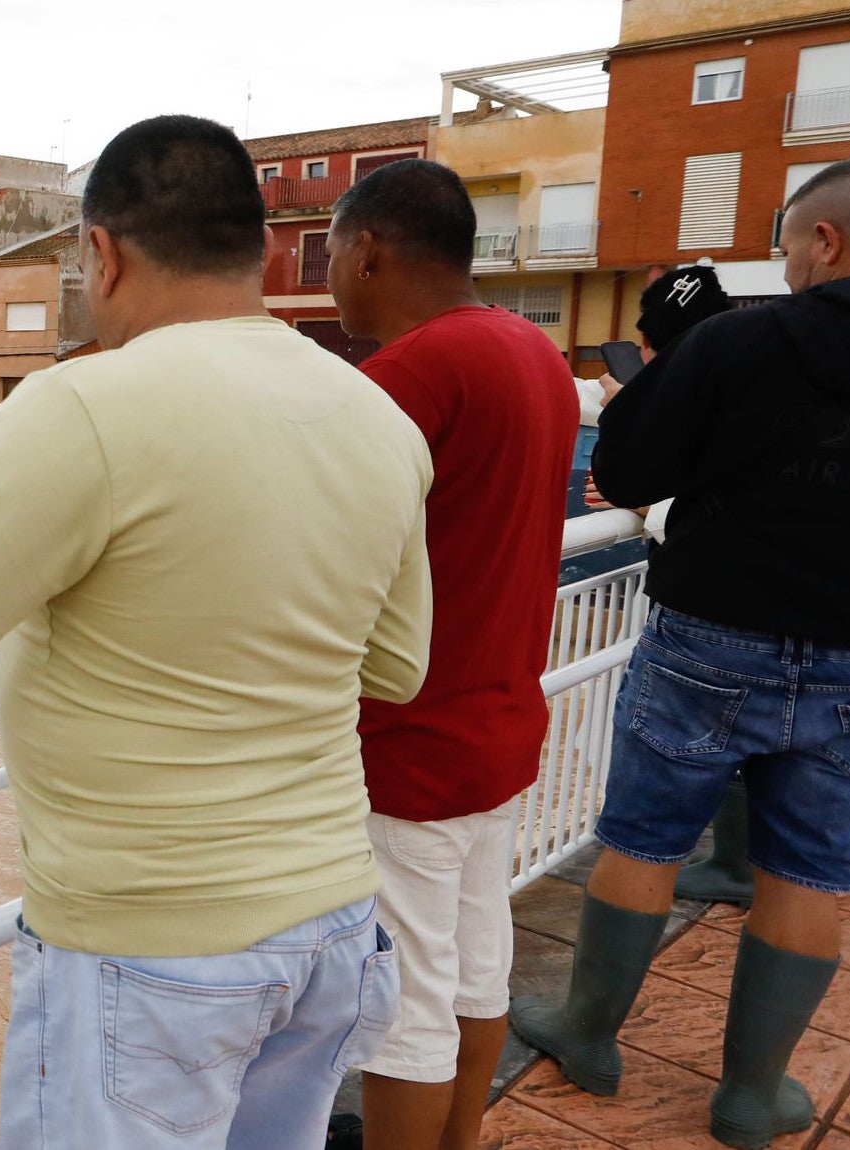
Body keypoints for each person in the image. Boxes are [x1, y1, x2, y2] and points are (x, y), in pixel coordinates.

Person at [0, 114, 434, 1150]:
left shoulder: (86, 409)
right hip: (330, 927)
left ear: (99, 254)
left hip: (156, 950)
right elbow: (398, 666)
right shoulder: (376, 417)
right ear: (270, 252)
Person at [510, 155, 850, 1150]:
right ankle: (751, 1096)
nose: (787, 265)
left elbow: (623, 465)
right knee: (808, 874)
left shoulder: (743, 341)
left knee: (642, 842)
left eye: (790, 246)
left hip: (711, 638)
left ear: (825, 239)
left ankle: (587, 1033)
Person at [321, 159, 576, 1150]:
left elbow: (320, 551)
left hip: (411, 739)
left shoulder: (407, 374)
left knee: (403, 1002)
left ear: (368, 248)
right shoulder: (532, 352)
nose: (334, 272)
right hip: (500, 720)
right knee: (475, 965)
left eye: (334, 250)